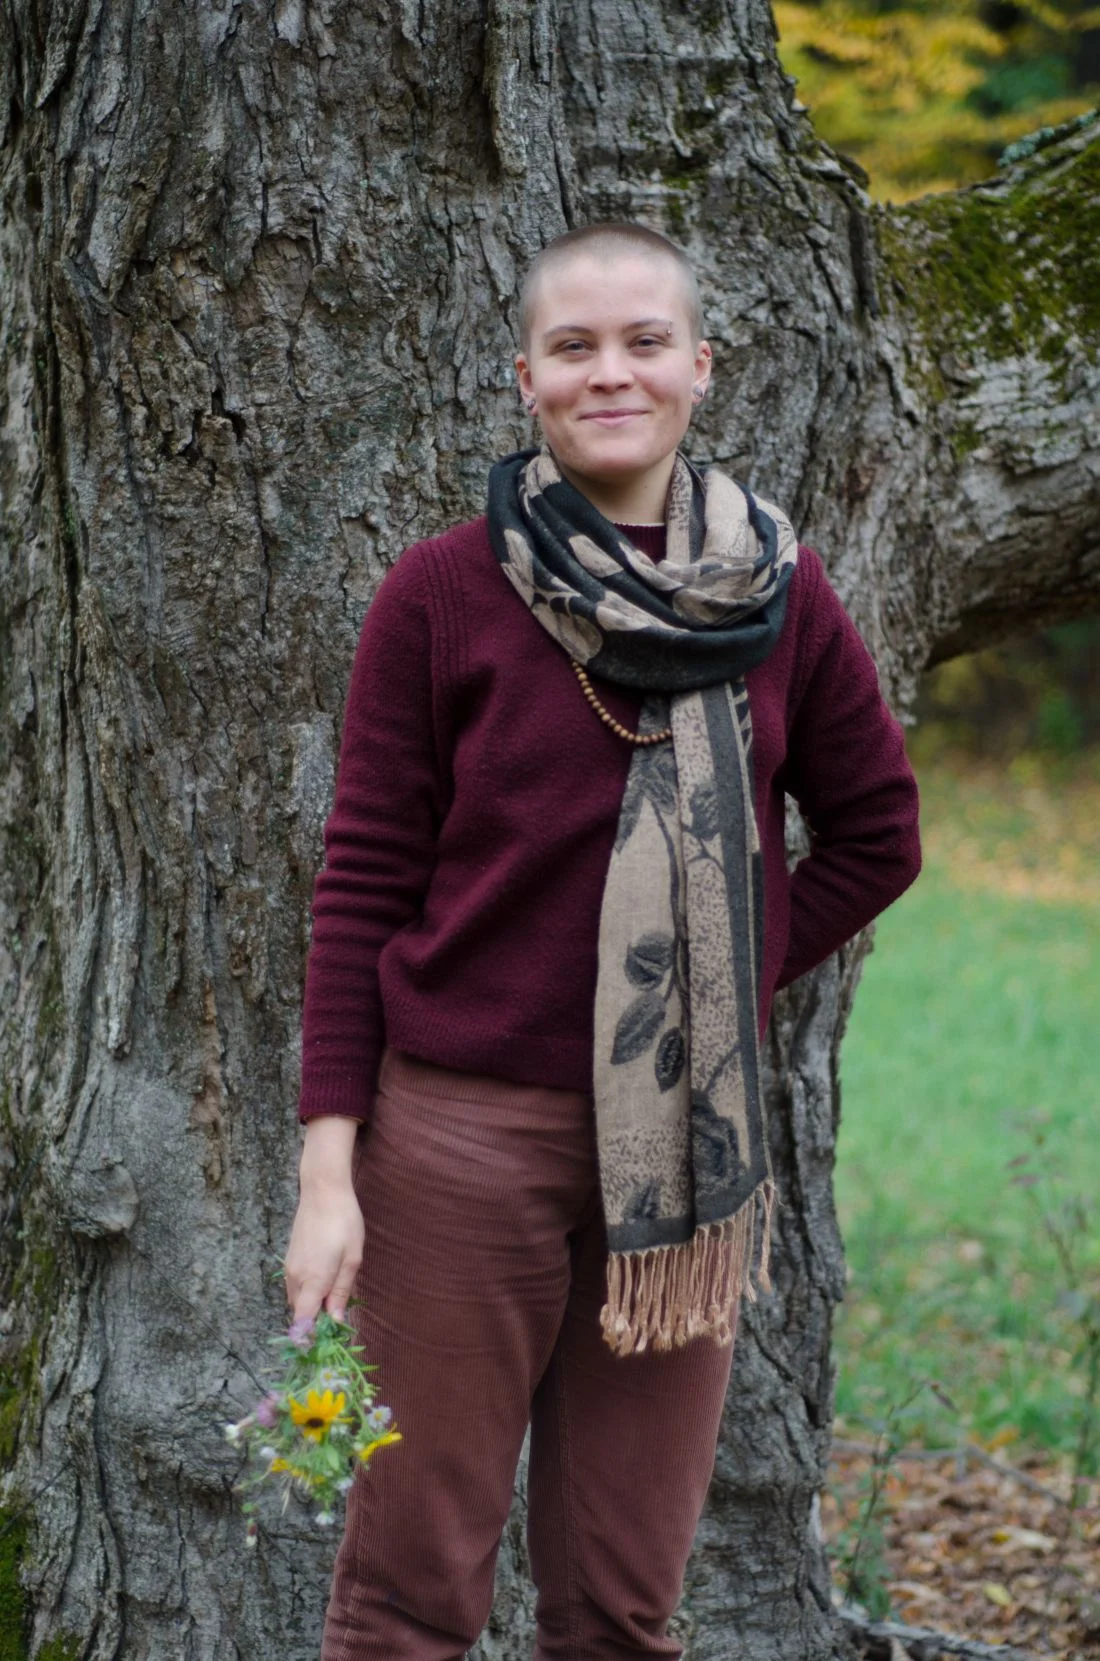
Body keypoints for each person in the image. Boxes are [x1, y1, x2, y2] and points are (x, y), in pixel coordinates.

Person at [283, 221, 921, 1661]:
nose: (610, 371)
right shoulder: (441, 594)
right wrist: (330, 1174)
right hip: (459, 1147)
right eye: (574, 346)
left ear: (700, 365)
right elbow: (364, 882)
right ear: (527, 377)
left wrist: (712, 978)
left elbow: (880, 837)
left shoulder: (780, 594)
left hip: (686, 1157)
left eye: (644, 341)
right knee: (405, 1598)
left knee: (622, 1609)